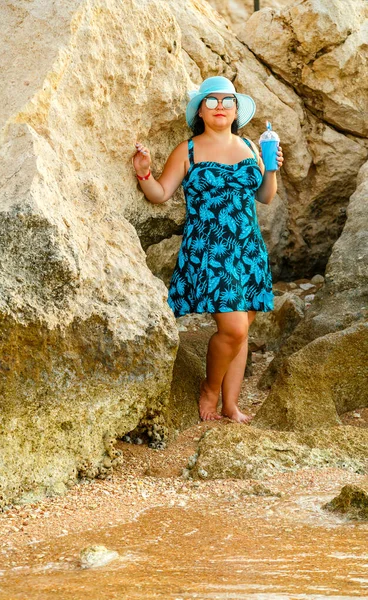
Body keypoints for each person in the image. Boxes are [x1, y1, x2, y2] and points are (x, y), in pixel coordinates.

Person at [133, 76, 283, 423]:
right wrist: (144, 173)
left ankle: (231, 406)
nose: (219, 106)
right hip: (210, 251)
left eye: (226, 100)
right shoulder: (187, 150)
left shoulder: (249, 146)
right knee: (233, 328)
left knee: (242, 329)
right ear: (200, 109)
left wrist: (271, 168)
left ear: (235, 110)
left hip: (248, 249)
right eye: (211, 100)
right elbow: (161, 194)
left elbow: (265, 196)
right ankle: (209, 389)